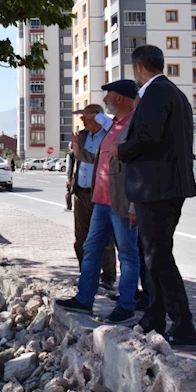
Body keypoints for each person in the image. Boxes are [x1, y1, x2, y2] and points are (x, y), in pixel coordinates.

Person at [109, 45, 196, 348]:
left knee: (158, 256)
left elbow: (148, 137)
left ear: (137, 68)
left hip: (157, 188)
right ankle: (154, 318)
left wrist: (120, 150)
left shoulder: (155, 93)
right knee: (155, 254)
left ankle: (183, 325)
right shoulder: (175, 93)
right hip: (165, 187)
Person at [56, 80, 140, 323]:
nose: (105, 100)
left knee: (127, 254)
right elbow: (97, 159)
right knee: (91, 248)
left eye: (109, 95)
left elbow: (139, 167)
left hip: (121, 201)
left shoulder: (133, 125)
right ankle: (84, 299)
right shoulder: (114, 125)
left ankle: (126, 305)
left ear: (120, 98)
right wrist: (78, 150)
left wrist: (135, 204)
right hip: (101, 201)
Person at [70, 103, 116, 290]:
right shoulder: (82, 136)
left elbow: (99, 160)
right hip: (81, 192)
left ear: (97, 117)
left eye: (85, 115)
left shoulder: (108, 136)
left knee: (104, 238)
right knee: (81, 237)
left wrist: (79, 152)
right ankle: (87, 275)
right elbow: (73, 160)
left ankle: (108, 277)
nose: (81, 119)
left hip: (101, 194)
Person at [64, 143, 75, 211]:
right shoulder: (80, 153)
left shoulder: (70, 154)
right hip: (79, 175)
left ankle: (69, 206)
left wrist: (68, 177)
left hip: (72, 176)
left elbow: (69, 166)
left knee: (68, 191)